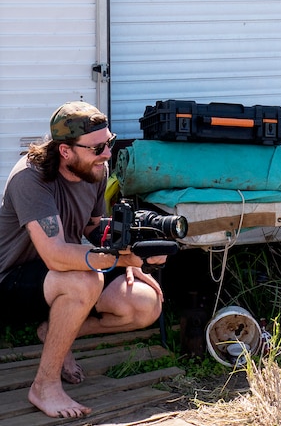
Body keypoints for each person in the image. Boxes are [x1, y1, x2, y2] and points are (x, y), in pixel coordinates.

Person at [0, 101, 167, 418]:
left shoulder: (95, 170)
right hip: (13, 279)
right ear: (65, 151)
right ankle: (44, 386)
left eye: (110, 142)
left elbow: (92, 227)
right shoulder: (30, 179)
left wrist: (136, 247)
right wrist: (123, 260)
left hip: (58, 277)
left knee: (144, 304)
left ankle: (55, 333)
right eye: (98, 148)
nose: (107, 154)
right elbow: (57, 255)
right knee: (83, 279)